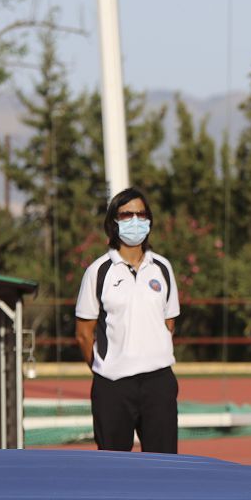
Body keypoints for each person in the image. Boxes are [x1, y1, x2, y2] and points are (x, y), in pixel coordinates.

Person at [75, 187, 181, 453]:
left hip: (159, 383)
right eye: (126, 215)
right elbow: (84, 333)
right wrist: (106, 367)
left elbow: (169, 323)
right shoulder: (98, 271)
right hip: (112, 386)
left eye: (141, 214)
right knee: (114, 470)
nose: (135, 220)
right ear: (113, 222)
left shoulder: (163, 268)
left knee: (164, 467)